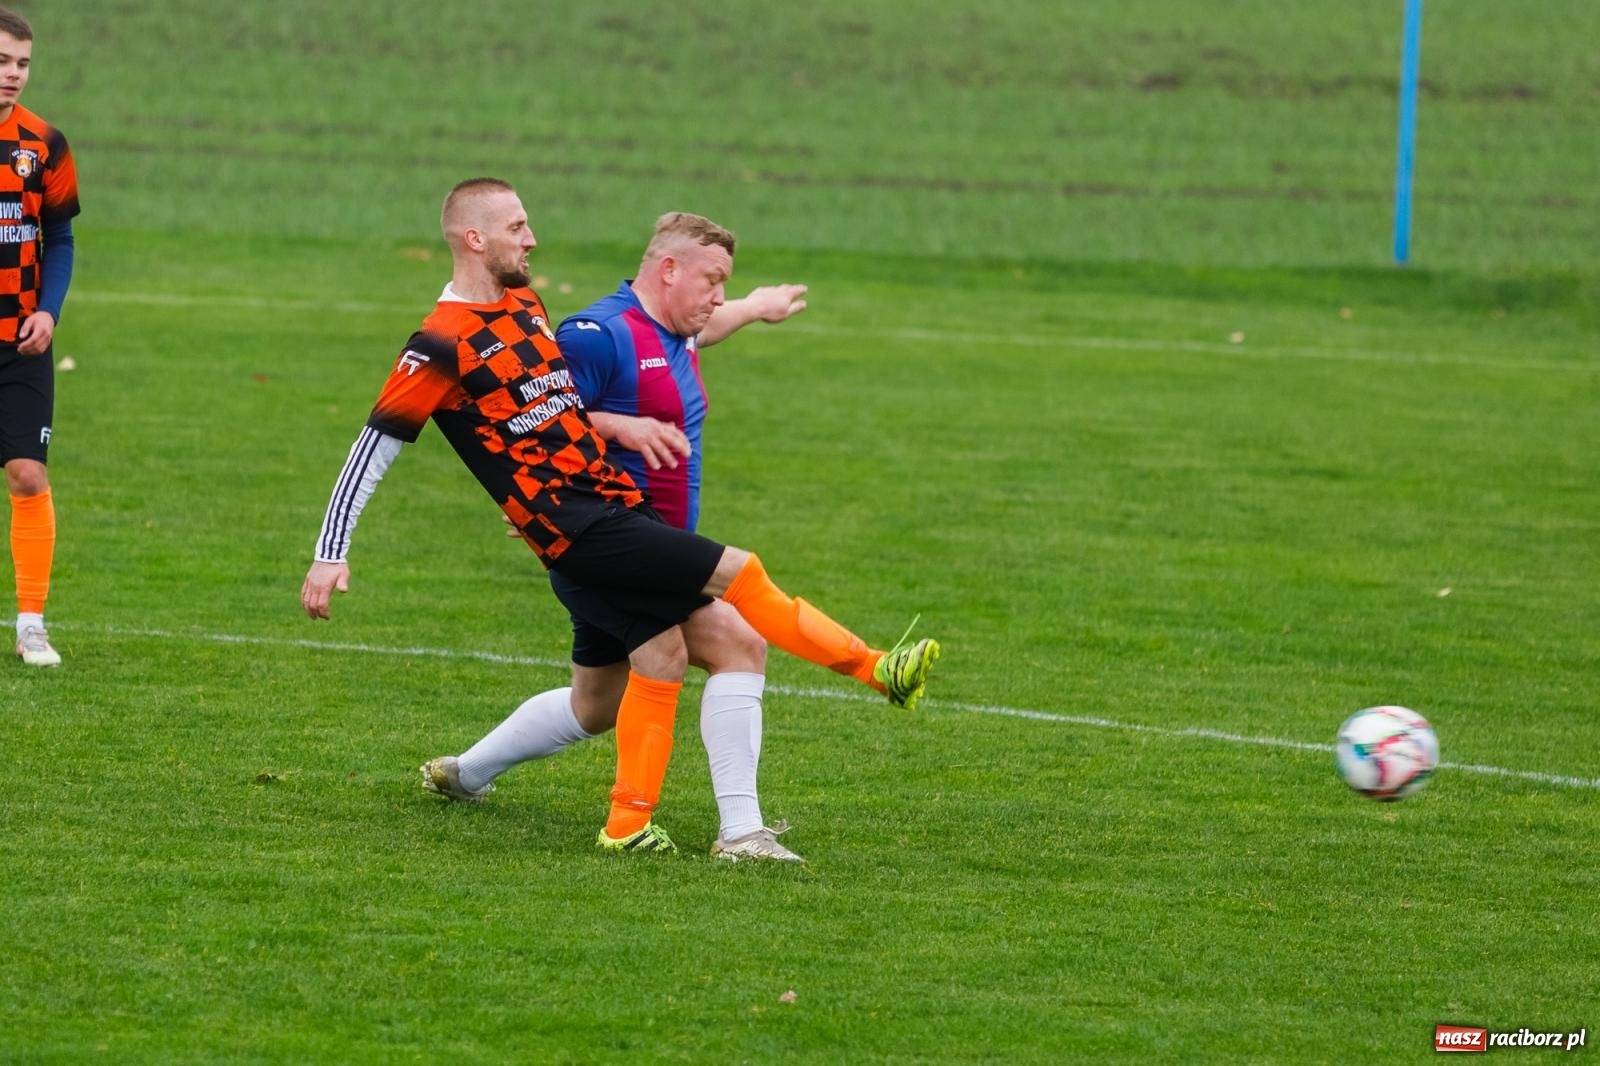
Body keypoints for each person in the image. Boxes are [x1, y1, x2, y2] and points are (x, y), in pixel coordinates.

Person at [301, 178, 939, 855]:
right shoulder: (437, 344)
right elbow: (375, 445)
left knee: (613, 691)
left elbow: (553, 409)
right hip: (578, 525)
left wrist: (631, 416)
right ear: (474, 238)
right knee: (738, 578)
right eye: (518, 226)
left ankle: (569, 807)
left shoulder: (523, 303)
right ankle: (876, 672)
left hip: (603, 508)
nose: (532, 237)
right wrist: (330, 550)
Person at [420, 213, 811, 862]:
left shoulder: (671, 328)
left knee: (595, 704)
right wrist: (532, 506)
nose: (717, 295)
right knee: (733, 642)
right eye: (711, 279)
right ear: (668, 270)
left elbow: (698, 331)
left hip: (636, 545)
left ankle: (465, 773)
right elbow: (537, 419)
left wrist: (752, 307)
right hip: (606, 544)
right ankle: (739, 833)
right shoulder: (597, 335)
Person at [0, 8, 78, 669]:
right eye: (1, 61)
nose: (12, 74)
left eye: (21, 63)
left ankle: (30, 624)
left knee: (27, 473)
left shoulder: (44, 144)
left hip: (20, 345)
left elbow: (62, 240)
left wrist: (48, 311)